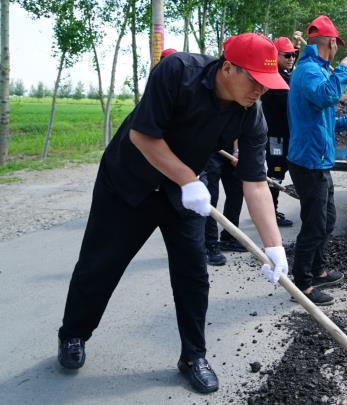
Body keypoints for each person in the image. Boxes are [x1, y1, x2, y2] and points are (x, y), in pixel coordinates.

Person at [57, 33, 290, 394]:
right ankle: (73, 334)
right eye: (256, 81)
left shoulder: (251, 114)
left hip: (181, 194)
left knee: (193, 273)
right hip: (128, 183)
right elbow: (143, 135)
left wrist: (274, 247)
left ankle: (193, 356)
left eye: (267, 84)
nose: (260, 91)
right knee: (101, 263)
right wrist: (188, 179)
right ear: (228, 68)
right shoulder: (176, 71)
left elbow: (256, 183)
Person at [287, 15, 347, 306]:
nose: (337, 51)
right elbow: (324, 98)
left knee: (327, 219)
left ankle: (318, 269)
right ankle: (302, 286)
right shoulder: (308, 71)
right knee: (315, 223)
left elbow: (322, 116)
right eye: (336, 45)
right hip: (308, 160)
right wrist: (343, 71)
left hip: (318, 159)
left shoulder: (317, 69)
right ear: (331, 42)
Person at [261, 36, 298, 227]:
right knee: (276, 173)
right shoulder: (275, 79)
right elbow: (291, 102)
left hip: (284, 134)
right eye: (287, 55)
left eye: (294, 54)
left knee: (278, 172)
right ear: (275, 56)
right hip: (276, 137)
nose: (292, 58)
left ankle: (270, 211)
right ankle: (270, 214)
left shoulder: (283, 74)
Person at [202, 144, 246, 266]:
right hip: (209, 150)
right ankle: (209, 244)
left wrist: (236, 150)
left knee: (236, 192)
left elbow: (238, 125)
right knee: (210, 198)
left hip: (230, 150)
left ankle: (229, 237)